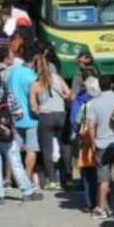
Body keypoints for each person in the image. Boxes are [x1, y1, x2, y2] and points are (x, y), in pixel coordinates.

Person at [0, 67, 43, 204]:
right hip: (9, 135)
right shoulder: (9, 95)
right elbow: (19, 114)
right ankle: (27, 191)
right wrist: (9, 120)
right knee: (16, 163)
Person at [29, 51, 71, 189]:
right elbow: (69, 94)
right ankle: (68, 178)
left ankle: (52, 181)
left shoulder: (34, 84)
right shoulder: (58, 78)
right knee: (65, 148)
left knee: (47, 150)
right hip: (61, 115)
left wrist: (39, 112)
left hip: (45, 117)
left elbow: (34, 107)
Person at [84, 75, 114, 219]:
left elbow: (90, 125)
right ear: (112, 85)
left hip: (101, 144)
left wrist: (94, 142)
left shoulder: (93, 103)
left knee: (103, 178)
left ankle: (101, 208)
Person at [7, 44, 41, 182]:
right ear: (35, 58)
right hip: (31, 118)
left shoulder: (13, 72)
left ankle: (8, 179)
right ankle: (25, 179)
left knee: (13, 150)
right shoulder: (33, 76)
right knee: (31, 149)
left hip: (14, 116)